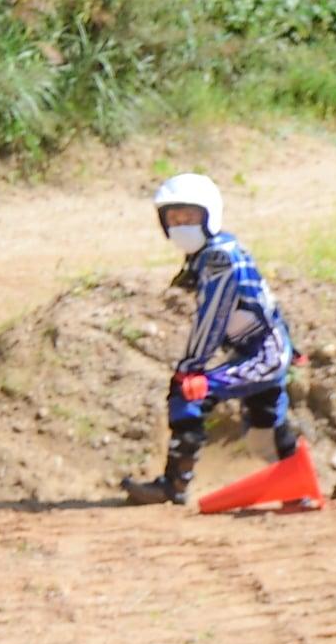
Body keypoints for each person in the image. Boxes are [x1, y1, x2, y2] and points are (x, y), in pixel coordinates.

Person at [120, 172, 303, 506]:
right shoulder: (216, 250)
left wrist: (192, 367)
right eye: (173, 218)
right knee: (264, 428)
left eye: (189, 216)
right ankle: (298, 488)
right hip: (265, 348)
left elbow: (214, 317)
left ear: (209, 215)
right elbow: (261, 300)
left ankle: (173, 486)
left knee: (189, 393)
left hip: (262, 352)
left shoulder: (219, 258)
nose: (180, 225)